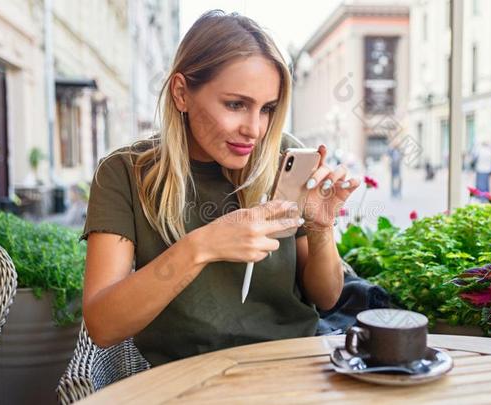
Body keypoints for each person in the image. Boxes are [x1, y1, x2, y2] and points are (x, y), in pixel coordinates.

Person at [80, 11, 361, 366]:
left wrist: (321, 228)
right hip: (187, 379)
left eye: (267, 109)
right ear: (181, 93)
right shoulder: (123, 173)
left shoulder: (281, 157)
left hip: (293, 368)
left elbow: (327, 296)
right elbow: (103, 325)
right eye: (236, 104)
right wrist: (203, 245)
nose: (255, 129)